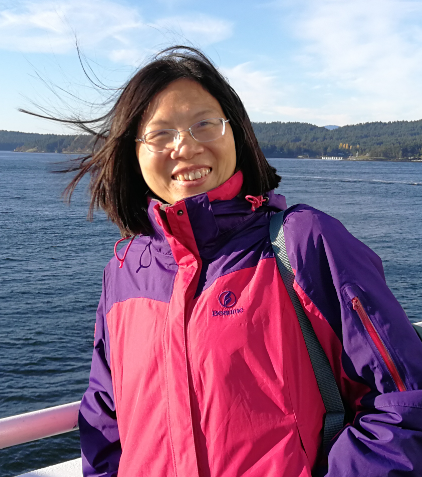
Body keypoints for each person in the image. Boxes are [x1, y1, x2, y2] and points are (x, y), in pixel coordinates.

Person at [66, 46, 422, 476]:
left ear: (236, 132)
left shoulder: (303, 243)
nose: (185, 146)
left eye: (204, 124)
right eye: (160, 134)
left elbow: (404, 403)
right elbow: (105, 417)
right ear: (133, 152)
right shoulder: (123, 273)